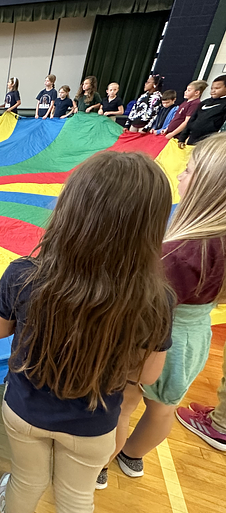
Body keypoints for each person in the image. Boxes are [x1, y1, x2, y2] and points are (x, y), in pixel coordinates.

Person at [0, 151, 173, 512]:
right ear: (150, 229)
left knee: (27, 480)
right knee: (76, 496)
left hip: (25, 410)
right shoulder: (156, 299)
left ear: (68, 211)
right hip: (95, 422)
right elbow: (148, 373)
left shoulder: (24, 275)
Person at [104, 133, 226, 485]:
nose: (179, 176)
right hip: (193, 339)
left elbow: (142, 302)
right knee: (163, 409)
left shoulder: (177, 252)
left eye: (187, 171)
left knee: (125, 403)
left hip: (153, 338)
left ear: (206, 187)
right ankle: (133, 457)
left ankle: (101, 464)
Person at [177, 75, 226, 147]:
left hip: (208, 142)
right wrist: (182, 138)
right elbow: (191, 120)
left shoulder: (224, 105)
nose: (213, 91)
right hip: (192, 139)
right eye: (212, 88)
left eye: (217, 88)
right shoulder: (204, 102)